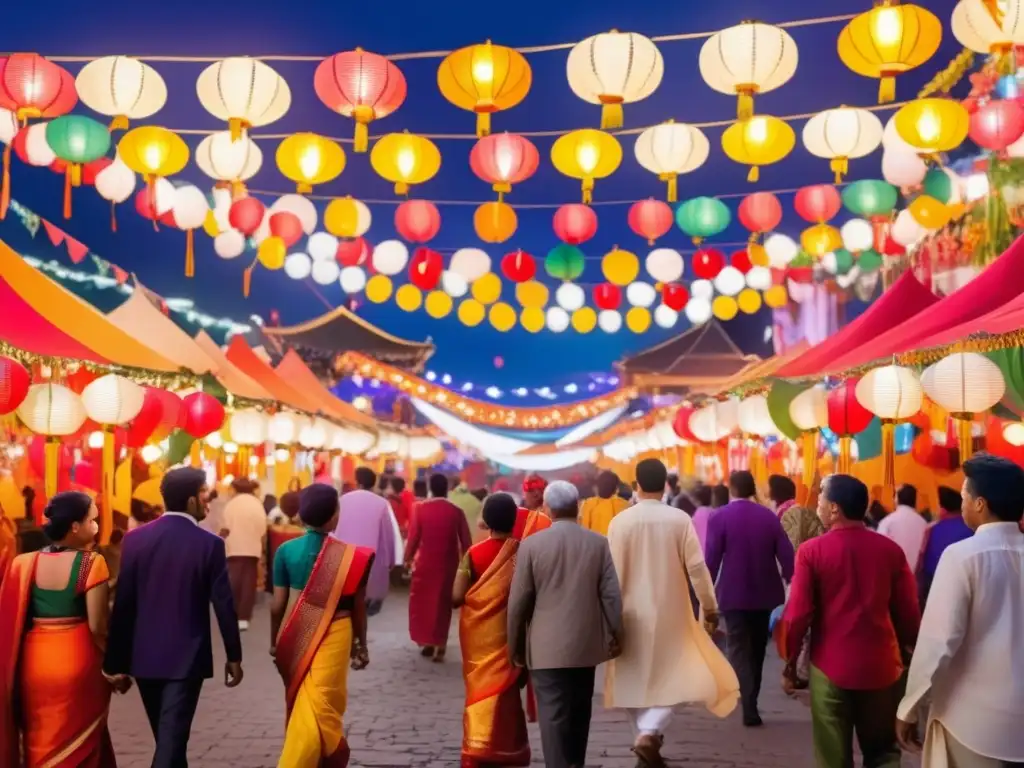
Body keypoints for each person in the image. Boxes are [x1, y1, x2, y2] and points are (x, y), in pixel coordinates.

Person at [104, 467, 243, 768]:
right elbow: (223, 603)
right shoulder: (209, 544)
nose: (209, 500)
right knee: (171, 740)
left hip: (144, 657)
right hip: (187, 658)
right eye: (205, 493)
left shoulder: (135, 540)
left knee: (169, 738)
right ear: (192, 499)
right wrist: (234, 654)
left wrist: (115, 663)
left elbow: (124, 603)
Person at [605, 459, 739, 767]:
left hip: (628, 612)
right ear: (665, 484)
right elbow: (696, 568)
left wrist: (605, 613)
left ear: (636, 484)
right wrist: (710, 607)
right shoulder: (678, 520)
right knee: (680, 678)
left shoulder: (620, 523)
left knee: (632, 680)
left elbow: (609, 574)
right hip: (671, 611)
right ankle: (648, 736)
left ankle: (644, 737)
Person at [781, 474, 919, 768]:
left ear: (834, 509)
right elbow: (908, 612)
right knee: (883, 753)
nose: (816, 503)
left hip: (830, 668)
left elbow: (797, 615)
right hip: (882, 668)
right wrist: (910, 652)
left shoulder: (812, 551)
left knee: (833, 758)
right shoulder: (890, 551)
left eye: (820, 497)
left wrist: (790, 662)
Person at [896, 454, 1024, 767]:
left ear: (980, 504)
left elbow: (938, 643)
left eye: (965, 496)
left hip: (973, 721)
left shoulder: (962, 557)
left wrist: (908, 708)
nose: (963, 503)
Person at [0, 491, 121, 766]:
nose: (96, 527)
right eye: (92, 521)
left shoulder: (23, 563)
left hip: (34, 662)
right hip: (78, 659)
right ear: (75, 526)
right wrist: (113, 667)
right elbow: (98, 625)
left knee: (39, 737)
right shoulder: (89, 563)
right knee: (81, 742)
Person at [507, 481, 622, 768]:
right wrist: (617, 633)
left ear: (547, 509)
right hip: (585, 644)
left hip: (545, 648)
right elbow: (611, 595)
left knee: (554, 715)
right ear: (578, 506)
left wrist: (515, 646)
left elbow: (519, 602)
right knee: (580, 710)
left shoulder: (532, 545)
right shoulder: (598, 543)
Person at [271, 483, 374, 767]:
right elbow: (358, 607)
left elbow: (277, 606)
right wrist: (361, 645)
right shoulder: (352, 557)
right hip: (337, 632)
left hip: (293, 635)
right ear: (334, 517)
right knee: (324, 704)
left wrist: (274, 640)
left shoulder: (285, 551)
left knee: (305, 701)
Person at [704, 470, 794, 726]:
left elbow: (711, 559)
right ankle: (751, 699)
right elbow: (786, 555)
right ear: (752, 489)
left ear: (731, 489)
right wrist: (792, 579)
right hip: (765, 592)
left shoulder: (719, 517)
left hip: (733, 593)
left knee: (738, 646)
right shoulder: (768, 517)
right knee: (756, 649)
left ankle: (748, 700)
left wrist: (705, 589)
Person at [453, 493, 531, 768]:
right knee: (507, 696)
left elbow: (456, 596)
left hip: (478, 644)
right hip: (511, 639)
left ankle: (478, 747)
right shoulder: (523, 553)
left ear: (485, 521)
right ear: (514, 520)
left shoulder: (473, 554)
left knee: (480, 695)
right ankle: (508, 751)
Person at [405, 473, 472, 662]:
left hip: (425, 564)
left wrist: (407, 559)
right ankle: (440, 643)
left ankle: (427, 641)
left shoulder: (420, 509)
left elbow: (413, 538)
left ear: (430, 488)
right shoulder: (456, 511)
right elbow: (466, 542)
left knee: (423, 603)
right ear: (447, 488)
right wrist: (468, 568)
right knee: (442, 605)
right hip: (448, 565)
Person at [334, 467, 397, 618]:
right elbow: (388, 535)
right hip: (370, 564)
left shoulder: (342, 501)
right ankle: (360, 638)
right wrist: (391, 560)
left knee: (346, 605)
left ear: (356, 481)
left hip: (344, 560)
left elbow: (333, 530)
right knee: (364, 605)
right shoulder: (381, 504)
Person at [221, 477, 268, 631]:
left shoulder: (232, 504)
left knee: (233, 582)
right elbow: (263, 527)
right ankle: (244, 618)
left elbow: (225, 526)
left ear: (235, 489)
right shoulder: (256, 503)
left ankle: (232, 615)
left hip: (233, 547)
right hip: (252, 548)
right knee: (248, 582)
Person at [916, 485, 973, 607]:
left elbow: (921, 561)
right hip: (964, 585)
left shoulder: (932, 529)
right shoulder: (972, 529)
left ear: (943, 509)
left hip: (934, 584)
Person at [877, 483, 928, 569]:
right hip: (915, 577)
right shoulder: (923, 523)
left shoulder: (888, 521)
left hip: (892, 574)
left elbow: (878, 551)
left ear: (896, 499)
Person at [770, 474, 825, 552]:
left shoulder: (791, 515)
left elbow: (792, 552)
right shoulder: (793, 511)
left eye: (765, 495)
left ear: (775, 495)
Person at [579, 470, 629, 536]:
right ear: (616, 488)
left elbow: (583, 530)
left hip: (595, 544)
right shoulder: (624, 505)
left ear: (598, 487)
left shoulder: (588, 504)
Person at [513, 475, 553, 540]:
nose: (536, 494)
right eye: (530, 490)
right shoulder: (516, 513)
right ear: (524, 493)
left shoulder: (549, 513)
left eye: (540, 490)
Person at [690, 485, 715, 552]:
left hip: (699, 553)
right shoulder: (715, 512)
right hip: (712, 553)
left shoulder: (697, 514)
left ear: (698, 500)